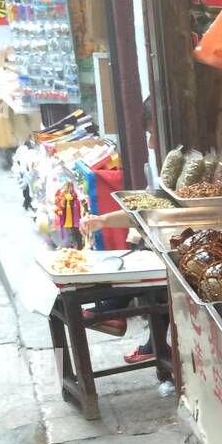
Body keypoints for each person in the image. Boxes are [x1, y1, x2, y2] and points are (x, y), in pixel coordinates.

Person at [78, 97, 159, 361]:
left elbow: (147, 210)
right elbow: (144, 209)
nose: (150, 143)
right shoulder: (163, 166)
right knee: (136, 255)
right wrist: (101, 221)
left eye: (152, 134)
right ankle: (114, 311)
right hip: (154, 235)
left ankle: (113, 310)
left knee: (150, 265)